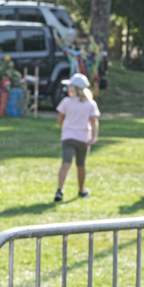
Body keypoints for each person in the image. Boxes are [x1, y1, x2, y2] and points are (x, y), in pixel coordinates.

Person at [54, 73, 100, 202]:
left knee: (65, 164)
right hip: (83, 138)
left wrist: (68, 127)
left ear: (74, 88)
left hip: (68, 137)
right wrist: (94, 136)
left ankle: (59, 190)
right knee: (81, 165)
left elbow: (59, 120)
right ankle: (81, 190)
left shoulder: (66, 102)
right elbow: (93, 121)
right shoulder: (90, 104)